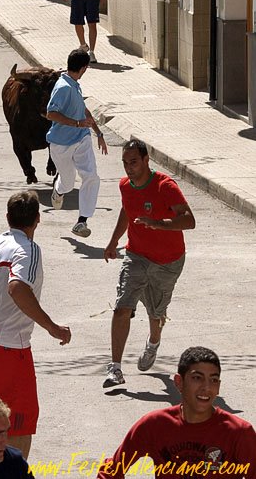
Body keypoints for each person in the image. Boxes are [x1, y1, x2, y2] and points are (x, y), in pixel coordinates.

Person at [0, 190, 71, 459]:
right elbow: (17, 287)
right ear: (38, 219)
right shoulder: (29, 249)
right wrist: (52, 327)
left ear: (7, 217)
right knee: (20, 421)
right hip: (8, 349)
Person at [103, 138, 195, 387]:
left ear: (146, 160)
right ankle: (115, 368)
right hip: (137, 256)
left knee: (156, 312)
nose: (128, 167)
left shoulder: (166, 186)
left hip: (168, 261)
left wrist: (158, 224)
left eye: (133, 162)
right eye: (124, 163)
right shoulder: (125, 186)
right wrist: (113, 242)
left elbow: (189, 220)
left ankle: (154, 340)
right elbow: (127, 210)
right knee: (123, 306)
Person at [97, 346, 256, 478]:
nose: (206, 387)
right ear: (179, 382)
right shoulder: (154, 425)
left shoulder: (239, 432)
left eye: (213, 380)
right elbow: (112, 470)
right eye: (197, 378)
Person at [46, 48, 108, 238]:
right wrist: (77, 123)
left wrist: (98, 133)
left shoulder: (74, 84)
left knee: (91, 176)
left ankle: (82, 221)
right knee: (67, 183)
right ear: (83, 68)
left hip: (81, 138)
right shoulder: (63, 87)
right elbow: (51, 113)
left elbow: (82, 108)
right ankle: (58, 189)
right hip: (61, 144)